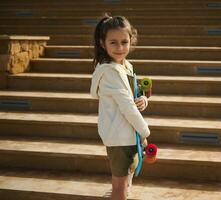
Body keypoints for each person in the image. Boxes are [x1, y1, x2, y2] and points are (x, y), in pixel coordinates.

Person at [90, 14, 150, 200]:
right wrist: (145, 132)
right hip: (120, 136)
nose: (120, 48)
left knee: (127, 177)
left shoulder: (126, 66)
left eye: (124, 42)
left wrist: (143, 99)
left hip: (128, 132)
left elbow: (134, 94)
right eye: (113, 42)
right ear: (103, 43)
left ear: (131, 40)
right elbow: (127, 107)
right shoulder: (110, 72)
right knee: (119, 187)